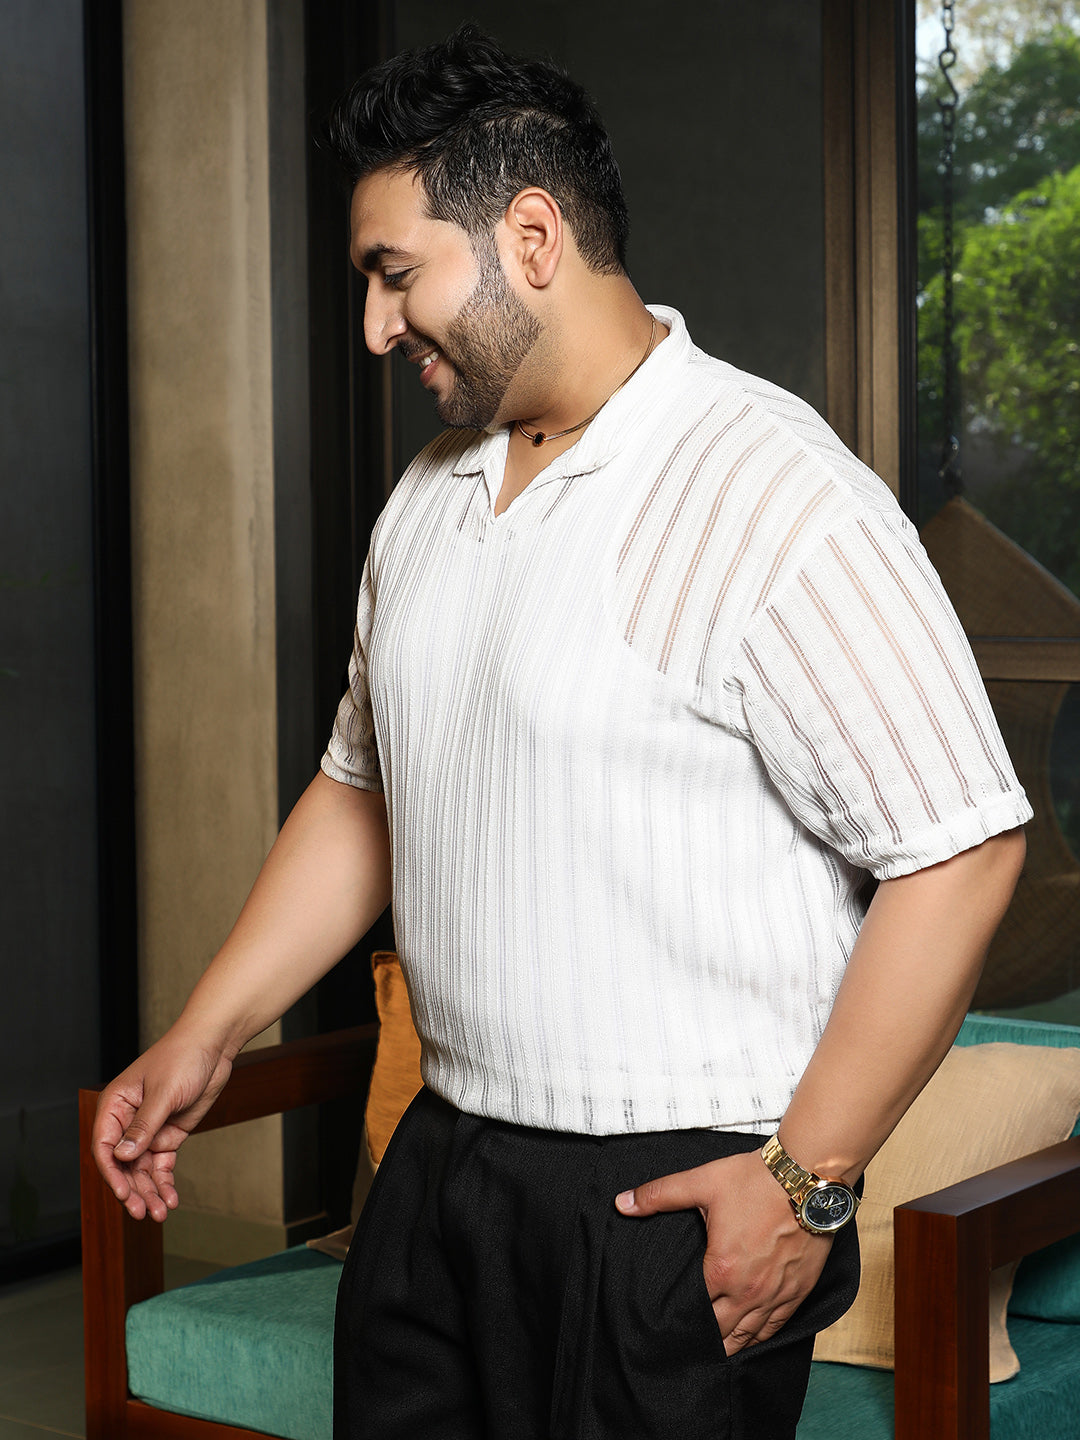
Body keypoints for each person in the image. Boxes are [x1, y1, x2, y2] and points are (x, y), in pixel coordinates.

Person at [93, 25, 1031, 1440]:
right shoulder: (425, 497)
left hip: (668, 1200)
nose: (376, 328)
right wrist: (204, 1034)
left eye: (395, 275)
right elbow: (362, 794)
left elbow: (959, 849)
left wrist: (807, 1182)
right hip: (441, 1173)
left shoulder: (775, 490)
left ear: (529, 237)